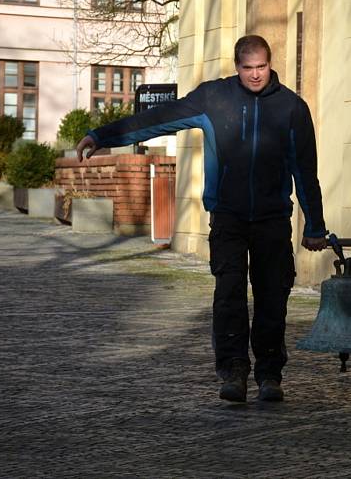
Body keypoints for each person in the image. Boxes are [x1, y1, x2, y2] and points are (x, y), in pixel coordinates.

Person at [76, 35, 327, 403]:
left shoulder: (291, 108)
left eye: (261, 67)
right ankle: (233, 372)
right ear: (237, 67)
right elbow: (159, 119)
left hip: (273, 218)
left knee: (273, 297)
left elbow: (305, 171)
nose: (255, 75)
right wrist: (101, 136)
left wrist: (315, 225)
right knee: (229, 294)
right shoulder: (214, 98)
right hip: (227, 215)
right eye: (247, 68)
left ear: (270, 65)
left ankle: (270, 375)